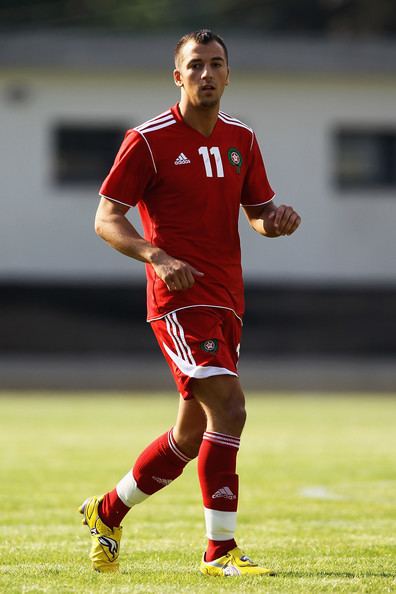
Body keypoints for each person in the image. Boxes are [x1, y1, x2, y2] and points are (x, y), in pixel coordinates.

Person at [79, 29, 301, 577]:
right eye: (195, 65)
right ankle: (219, 552)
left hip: (228, 296)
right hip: (178, 299)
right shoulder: (147, 140)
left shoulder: (242, 139)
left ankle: (107, 512)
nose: (207, 74)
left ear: (229, 74)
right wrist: (157, 257)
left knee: (189, 434)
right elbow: (106, 219)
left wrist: (276, 222)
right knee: (230, 407)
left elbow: (257, 211)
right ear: (177, 76)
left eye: (216, 64)